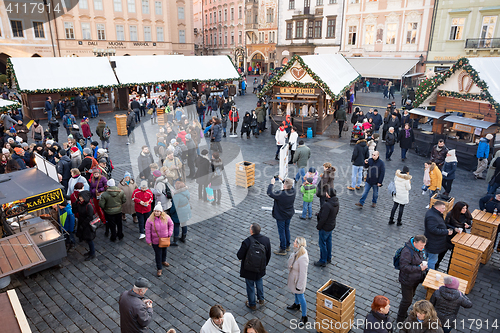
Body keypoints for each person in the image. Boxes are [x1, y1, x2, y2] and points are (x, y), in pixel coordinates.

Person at [236, 223, 271, 310]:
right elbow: (268, 255)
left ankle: (252, 304)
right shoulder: (266, 240)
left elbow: (239, 255)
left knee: (250, 286)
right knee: (259, 282)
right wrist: (263, 265)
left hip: (249, 269)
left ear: (251, 231)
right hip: (260, 268)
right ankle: (261, 299)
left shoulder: (247, 242)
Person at [396, 235, 428, 323]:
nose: (423, 248)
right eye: (421, 246)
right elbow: (404, 267)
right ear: (414, 243)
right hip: (407, 280)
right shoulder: (407, 252)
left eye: (424, 246)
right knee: (407, 300)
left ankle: (404, 313)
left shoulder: (419, 249)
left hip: (415, 279)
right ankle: (400, 318)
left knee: (411, 296)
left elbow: (422, 257)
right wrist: (419, 268)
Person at [267, 177, 296, 256]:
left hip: (281, 215)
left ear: (284, 186)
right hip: (289, 214)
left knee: (281, 231)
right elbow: (289, 185)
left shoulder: (281, 194)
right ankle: (287, 245)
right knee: (287, 229)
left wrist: (272, 184)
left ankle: (282, 248)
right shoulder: (293, 191)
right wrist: (283, 180)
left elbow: (269, 193)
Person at [145, 204, 173, 277]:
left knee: (164, 251)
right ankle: (159, 268)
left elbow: (171, 225)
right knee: (158, 254)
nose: (156, 212)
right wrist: (149, 240)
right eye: (155, 211)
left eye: (158, 211)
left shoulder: (166, 217)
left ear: (161, 212)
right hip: (155, 241)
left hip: (165, 239)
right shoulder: (150, 220)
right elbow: (147, 231)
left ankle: (163, 261)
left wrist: (169, 233)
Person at [286, 237, 309, 326]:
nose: (293, 243)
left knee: (300, 296)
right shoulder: (296, 252)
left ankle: (304, 316)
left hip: (298, 280)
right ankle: (296, 304)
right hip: (294, 278)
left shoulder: (303, 257)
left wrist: (299, 286)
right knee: (295, 292)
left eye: (295, 242)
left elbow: (303, 274)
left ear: (298, 244)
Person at [425, 201, 453, 271]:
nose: (444, 210)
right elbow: (433, 229)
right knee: (432, 260)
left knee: (427, 256)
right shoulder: (432, 216)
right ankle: (429, 273)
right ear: (437, 208)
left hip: (433, 241)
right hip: (433, 242)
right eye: (443, 208)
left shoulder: (435, 213)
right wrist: (446, 232)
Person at [314, 188, 338, 267]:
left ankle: (323, 260)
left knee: (322, 243)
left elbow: (323, 218)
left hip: (325, 227)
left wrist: (318, 226)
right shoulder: (336, 202)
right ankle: (328, 257)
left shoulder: (327, 205)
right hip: (331, 225)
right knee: (328, 242)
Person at [73, 190, 96, 261]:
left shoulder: (88, 206)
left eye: (81, 197)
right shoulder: (80, 204)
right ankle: (91, 252)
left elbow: (90, 217)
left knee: (89, 239)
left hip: (87, 225)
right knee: (86, 238)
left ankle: (92, 253)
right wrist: (75, 204)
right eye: (79, 197)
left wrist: (83, 224)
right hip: (82, 223)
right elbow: (75, 211)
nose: (80, 198)